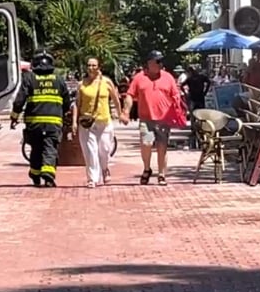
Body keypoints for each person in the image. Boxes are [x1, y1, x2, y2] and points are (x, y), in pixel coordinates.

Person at [10, 49, 72, 187]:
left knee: (36, 148)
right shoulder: (59, 79)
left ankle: (36, 174)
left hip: (34, 124)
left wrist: (14, 117)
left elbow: (19, 100)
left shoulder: (29, 78)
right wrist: (67, 113)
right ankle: (48, 174)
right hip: (53, 123)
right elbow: (67, 101)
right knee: (50, 148)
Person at [121, 50, 183, 186]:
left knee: (162, 146)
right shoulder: (139, 78)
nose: (161, 64)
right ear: (149, 63)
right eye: (158, 61)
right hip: (146, 118)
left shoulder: (168, 77)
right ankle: (147, 168)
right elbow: (130, 95)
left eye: (161, 61)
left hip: (164, 118)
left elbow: (175, 95)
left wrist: (177, 109)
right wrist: (125, 112)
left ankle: (161, 174)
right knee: (146, 143)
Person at [74, 58, 122, 188]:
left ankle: (105, 168)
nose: (91, 68)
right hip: (87, 123)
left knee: (105, 150)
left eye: (94, 65)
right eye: (89, 65)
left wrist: (120, 113)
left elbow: (115, 100)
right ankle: (92, 178)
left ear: (99, 67)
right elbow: (77, 104)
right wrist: (74, 122)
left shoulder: (106, 82)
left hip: (104, 121)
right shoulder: (81, 84)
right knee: (91, 151)